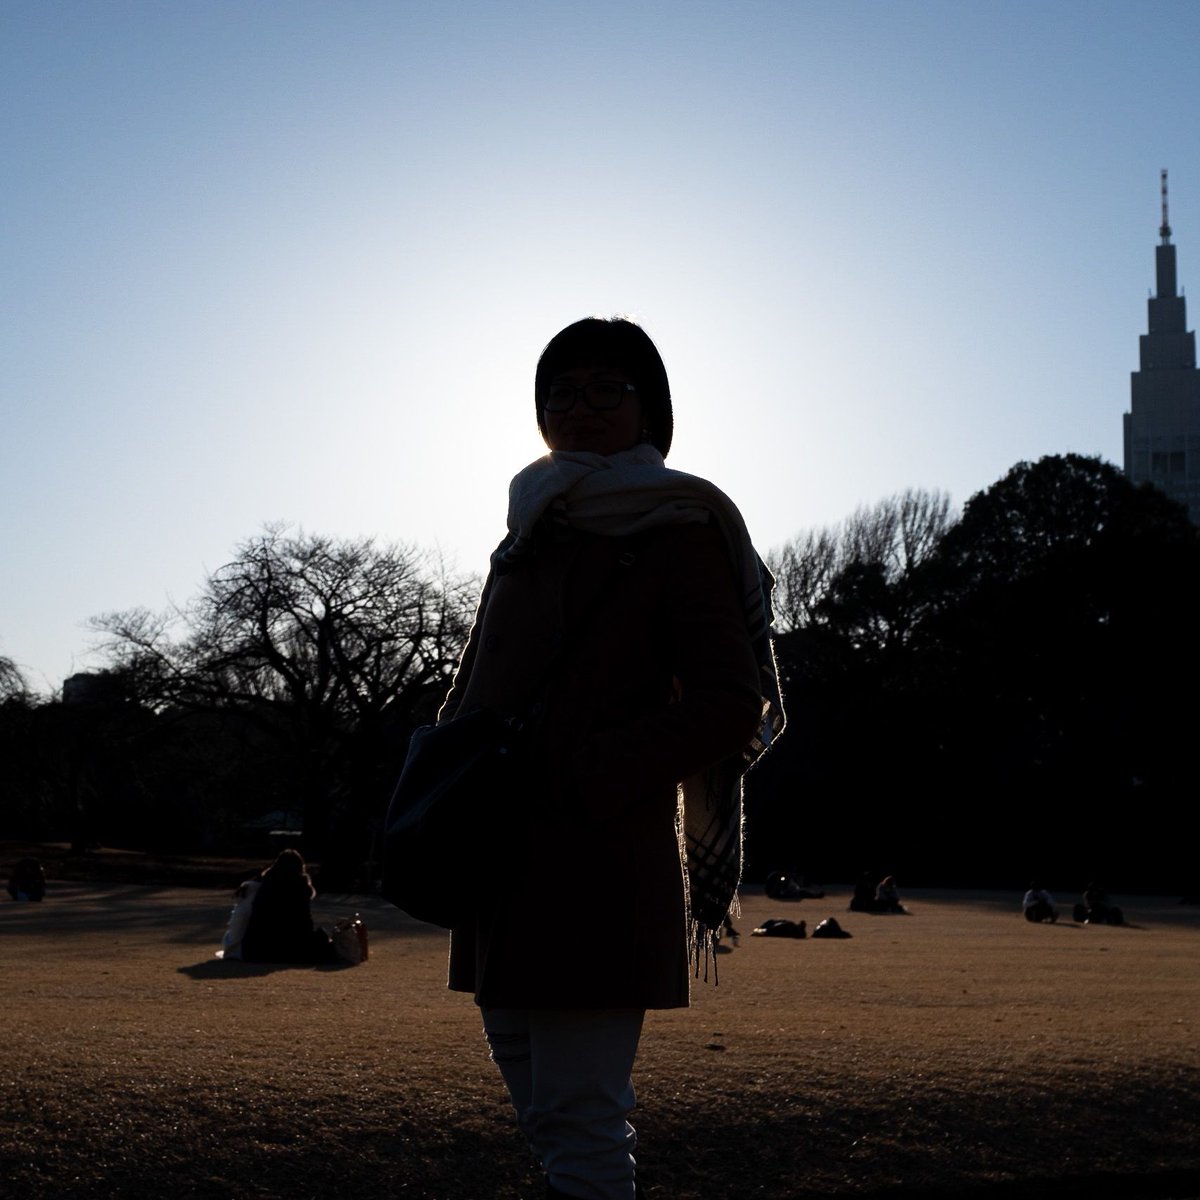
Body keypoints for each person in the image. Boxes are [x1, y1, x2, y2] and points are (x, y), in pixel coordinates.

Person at [438, 317, 783, 1200]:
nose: (578, 407)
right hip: (499, 854)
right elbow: (477, 685)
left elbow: (732, 704)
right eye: (561, 390)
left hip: (599, 853)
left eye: (606, 389)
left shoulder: (682, 528)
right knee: (538, 1102)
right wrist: (435, 779)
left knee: (583, 1117)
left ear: (650, 409)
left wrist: (594, 771)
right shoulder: (529, 525)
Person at [221, 849, 337, 963]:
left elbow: (243, 918)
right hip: (288, 948)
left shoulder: (263, 885)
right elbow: (304, 921)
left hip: (256, 948)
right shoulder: (300, 888)